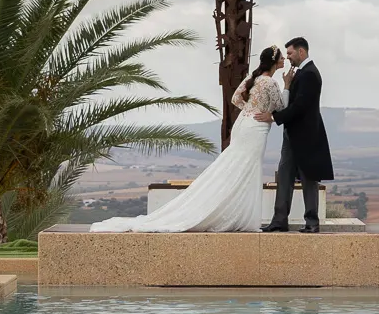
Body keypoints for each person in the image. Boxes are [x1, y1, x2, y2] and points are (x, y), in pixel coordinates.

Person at [89, 45, 287, 233]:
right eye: (281, 57)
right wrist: (285, 88)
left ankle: (234, 213)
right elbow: (281, 106)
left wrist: (249, 110)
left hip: (244, 125)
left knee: (235, 167)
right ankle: (241, 216)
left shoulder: (253, 78)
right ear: (274, 61)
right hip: (256, 128)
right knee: (247, 169)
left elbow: (236, 99)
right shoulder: (270, 82)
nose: (284, 59)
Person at [256, 36, 335, 233]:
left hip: (306, 137)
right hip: (291, 136)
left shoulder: (310, 74)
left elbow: (299, 107)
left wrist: (273, 117)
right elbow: (292, 103)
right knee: (284, 176)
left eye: (290, 53)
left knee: (309, 179)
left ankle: (311, 223)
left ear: (301, 52)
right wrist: (287, 86)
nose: (288, 58)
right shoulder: (301, 73)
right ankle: (279, 220)